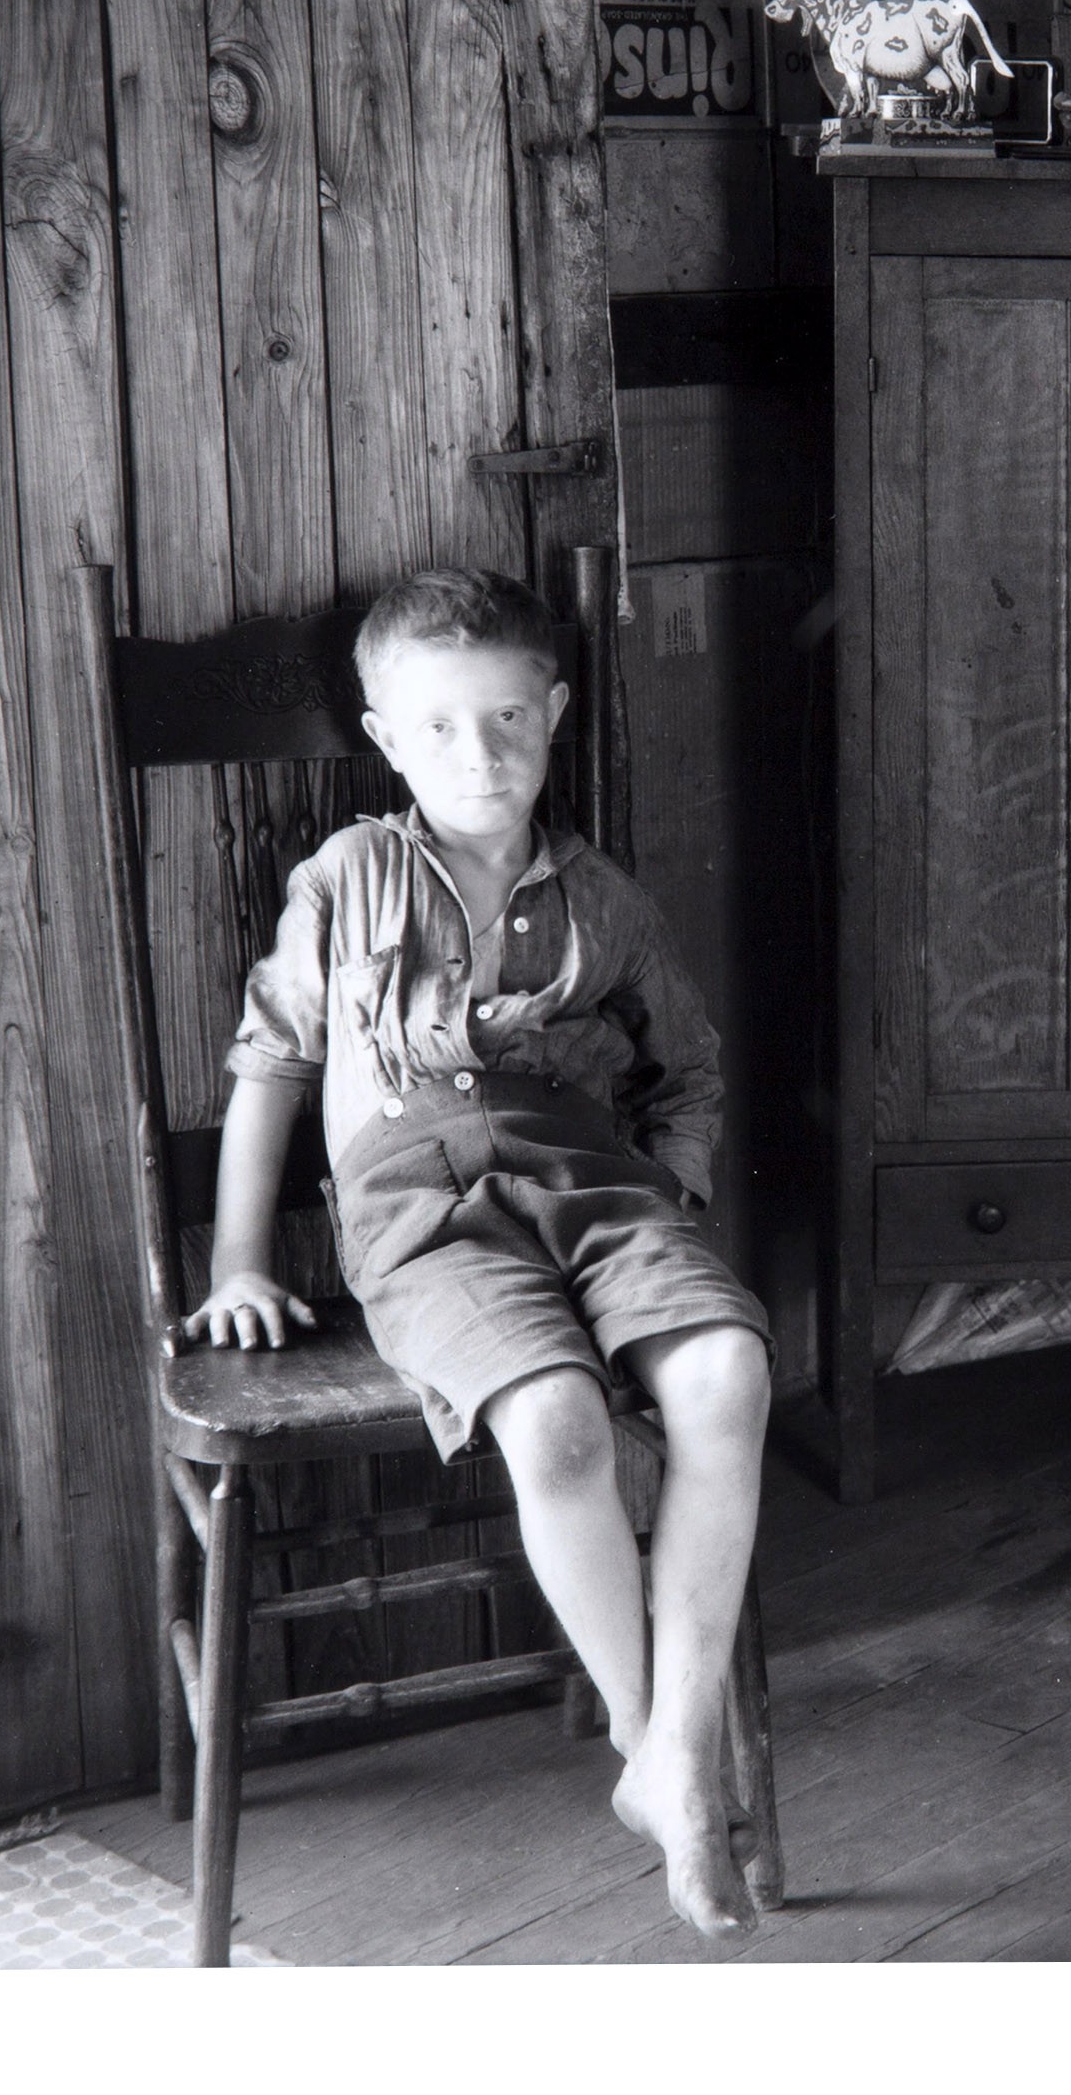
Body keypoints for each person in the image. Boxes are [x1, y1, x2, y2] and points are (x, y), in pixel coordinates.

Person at [193, 567, 774, 1943]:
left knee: (727, 1374)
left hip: (596, 1184)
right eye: (442, 726)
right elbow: (273, 1060)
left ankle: (678, 1740)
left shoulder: (603, 901)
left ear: (554, 713)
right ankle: (652, 1745)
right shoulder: (349, 877)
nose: (481, 755)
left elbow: (689, 1070)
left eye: (510, 718)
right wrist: (236, 1261)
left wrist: (669, 1196)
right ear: (386, 738)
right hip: (424, 1213)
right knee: (559, 1421)